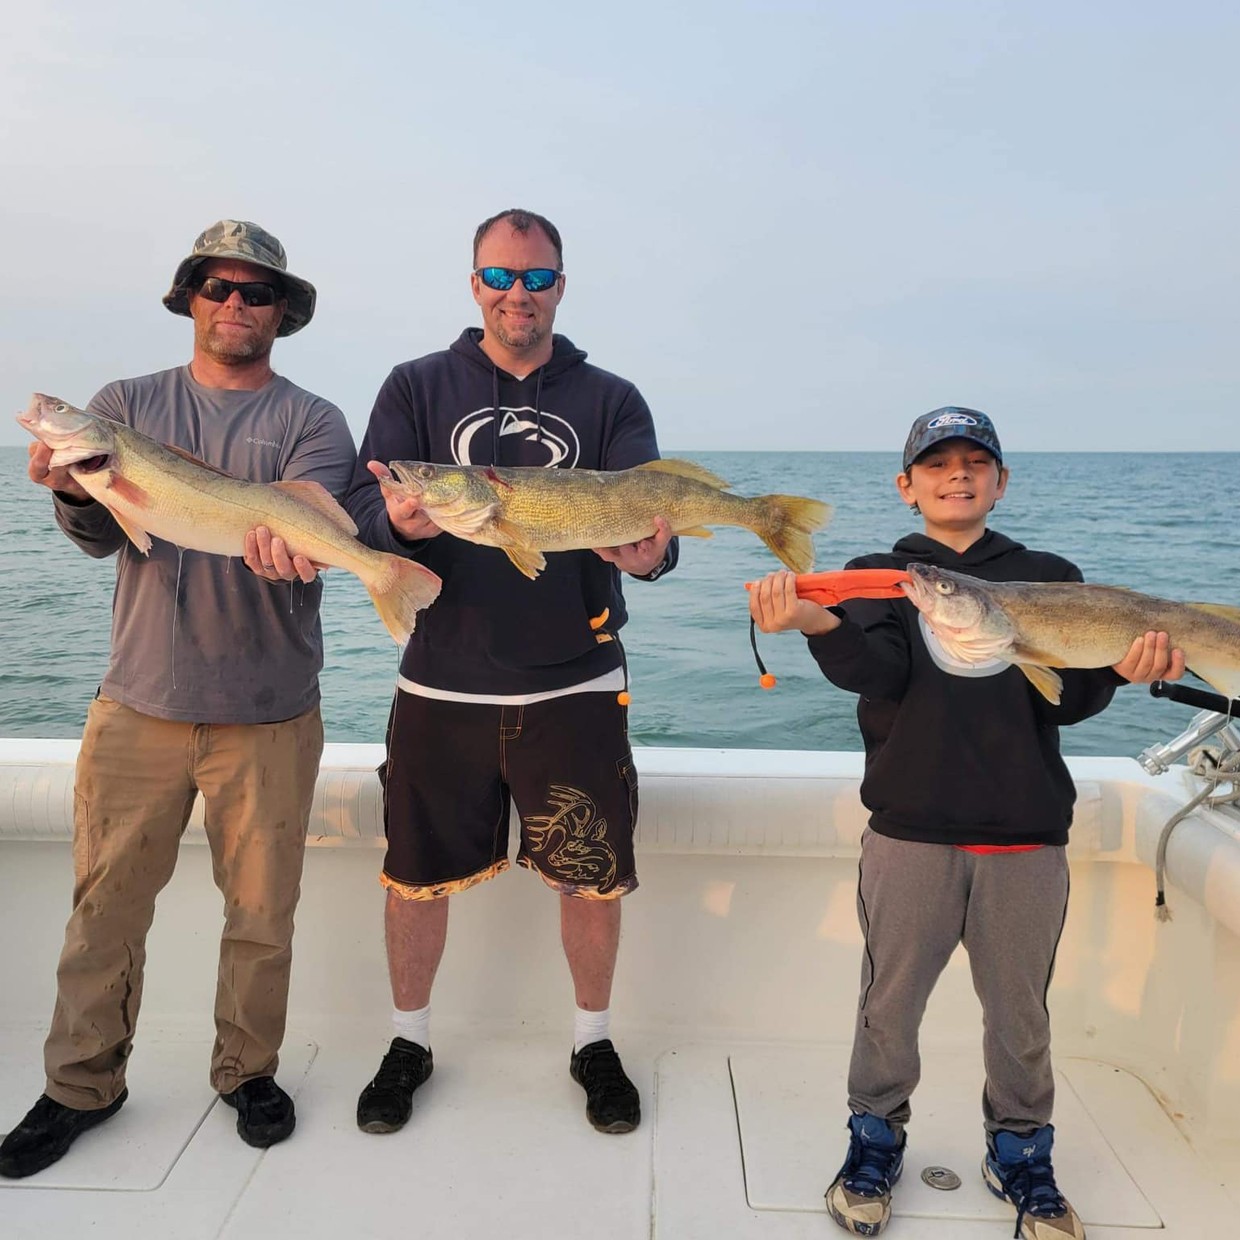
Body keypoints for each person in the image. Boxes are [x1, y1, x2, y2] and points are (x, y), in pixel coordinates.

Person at [748, 407, 1184, 1240]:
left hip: (1026, 832)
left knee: (1020, 1014)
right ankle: (873, 1142)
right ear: (906, 486)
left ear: (1001, 482)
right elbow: (880, 677)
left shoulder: (1051, 573)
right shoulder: (883, 575)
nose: (957, 474)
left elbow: (1072, 695)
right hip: (909, 830)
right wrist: (813, 622)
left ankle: (1020, 1152)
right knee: (889, 1003)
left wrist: (1126, 672)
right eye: (937, 462)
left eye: (974, 462)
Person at [0, 220, 357, 1179]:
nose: (234, 305)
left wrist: (307, 552)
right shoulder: (123, 409)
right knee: (104, 907)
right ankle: (82, 1084)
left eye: (256, 293)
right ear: (188, 298)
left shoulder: (315, 421)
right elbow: (103, 536)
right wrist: (78, 492)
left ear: (283, 312)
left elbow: (311, 529)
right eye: (216, 287)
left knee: (261, 912)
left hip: (272, 710)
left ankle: (248, 1071)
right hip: (139, 704)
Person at [343, 207, 675, 1137]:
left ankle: (593, 1041)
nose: (516, 294)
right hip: (440, 679)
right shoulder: (415, 384)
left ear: (561, 286)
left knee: (591, 875)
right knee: (414, 873)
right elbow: (368, 511)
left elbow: (647, 532)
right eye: (499, 276)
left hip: (575, 680)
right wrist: (400, 521)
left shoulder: (611, 399)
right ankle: (409, 1040)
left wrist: (650, 557)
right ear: (473, 282)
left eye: (535, 279)